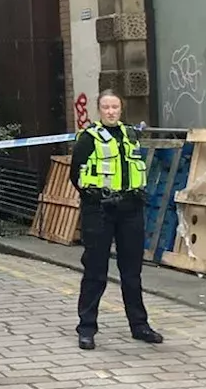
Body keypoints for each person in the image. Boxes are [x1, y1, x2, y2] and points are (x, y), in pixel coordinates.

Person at [70, 89, 163, 350]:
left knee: (132, 272)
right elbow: (75, 175)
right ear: (99, 111)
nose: (111, 111)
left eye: (115, 107)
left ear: (121, 110)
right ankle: (86, 328)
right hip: (99, 210)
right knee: (95, 271)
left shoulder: (130, 134)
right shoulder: (88, 138)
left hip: (130, 209)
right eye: (106, 107)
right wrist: (96, 197)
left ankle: (139, 326)